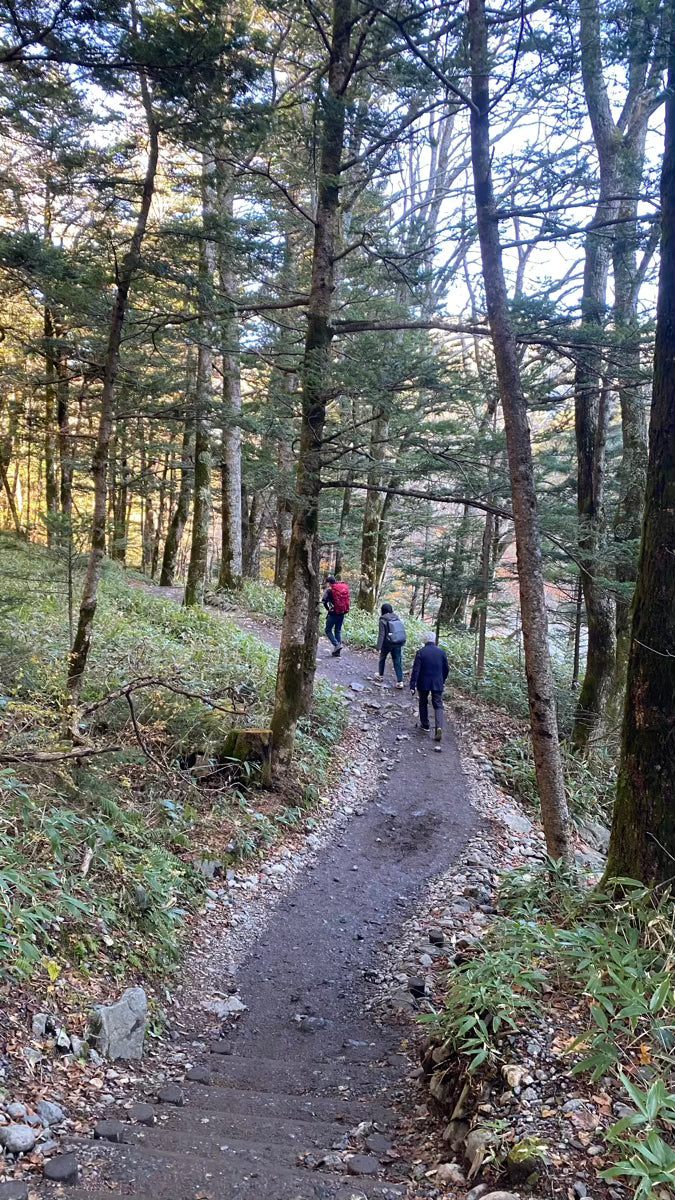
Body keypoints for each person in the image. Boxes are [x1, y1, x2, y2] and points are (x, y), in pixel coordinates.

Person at [410, 631, 449, 743]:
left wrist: (413, 684)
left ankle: (425, 725)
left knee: (423, 702)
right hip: (437, 682)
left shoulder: (421, 652)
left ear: (425, 640)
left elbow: (416, 670)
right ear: (434, 640)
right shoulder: (441, 652)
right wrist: (442, 680)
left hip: (424, 682)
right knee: (438, 704)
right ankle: (439, 728)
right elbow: (446, 669)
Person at [374, 602, 406, 688]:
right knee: (397, 661)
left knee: (382, 658)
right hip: (398, 642)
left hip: (387, 643)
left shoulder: (383, 619)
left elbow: (382, 634)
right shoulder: (396, 618)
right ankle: (400, 681)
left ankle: (380, 675)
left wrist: (378, 647)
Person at [321, 574, 350, 657]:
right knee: (338, 630)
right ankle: (337, 651)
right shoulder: (342, 588)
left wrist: (328, 609)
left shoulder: (329, 590)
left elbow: (324, 601)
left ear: (329, 583)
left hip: (333, 613)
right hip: (342, 613)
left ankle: (336, 645)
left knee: (328, 630)